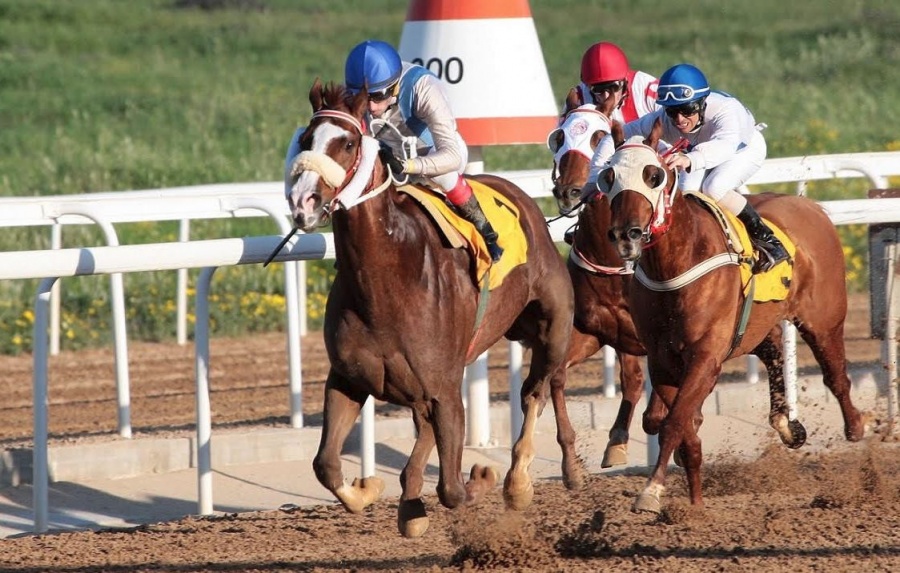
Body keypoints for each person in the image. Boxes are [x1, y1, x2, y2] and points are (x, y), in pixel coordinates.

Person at [284, 39, 503, 262]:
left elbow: (453, 156)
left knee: (444, 175)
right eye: (364, 97)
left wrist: (409, 165)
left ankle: (486, 231)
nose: (370, 107)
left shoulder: (424, 88)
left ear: (395, 85)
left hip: (435, 155)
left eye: (378, 97)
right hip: (386, 157)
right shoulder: (355, 96)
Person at [589, 63, 789, 273]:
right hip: (702, 151)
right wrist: (594, 177)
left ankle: (769, 241)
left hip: (744, 148)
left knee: (714, 187)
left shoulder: (726, 111)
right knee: (686, 192)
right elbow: (614, 137)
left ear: (702, 103)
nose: (679, 120)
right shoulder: (664, 119)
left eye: (687, 110)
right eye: (672, 111)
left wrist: (691, 159)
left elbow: (726, 146)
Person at [565, 41, 659, 124]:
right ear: (587, 86)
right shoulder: (578, 100)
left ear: (624, 80)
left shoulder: (647, 90)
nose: (606, 97)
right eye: (597, 89)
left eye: (613, 87)